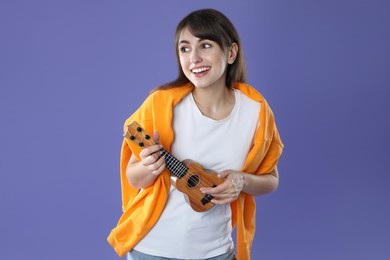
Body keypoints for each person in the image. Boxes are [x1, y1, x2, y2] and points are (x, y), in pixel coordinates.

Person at [107, 8, 284, 260]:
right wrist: (149, 166)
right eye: (185, 49)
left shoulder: (256, 112)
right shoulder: (161, 105)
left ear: (231, 52)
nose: (194, 59)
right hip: (152, 250)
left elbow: (271, 179)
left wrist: (241, 181)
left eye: (206, 45)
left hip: (217, 252)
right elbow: (134, 179)